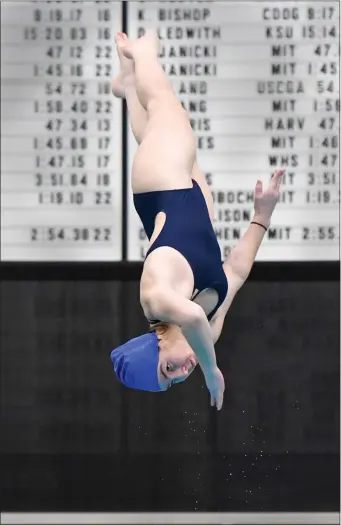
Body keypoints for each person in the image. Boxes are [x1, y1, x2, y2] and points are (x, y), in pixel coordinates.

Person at [110, 30, 284, 410]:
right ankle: (127, 80)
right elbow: (235, 273)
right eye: (176, 379)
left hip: (160, 187)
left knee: (168, 111)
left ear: (153, 345)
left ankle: (142, 52)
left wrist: (211, 372)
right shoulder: (209, 330)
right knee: (155, 128)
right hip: (195, 200)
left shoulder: (155, 301)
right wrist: (261, 217)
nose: (183, 371)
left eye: (168, 368)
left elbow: (189, 313)